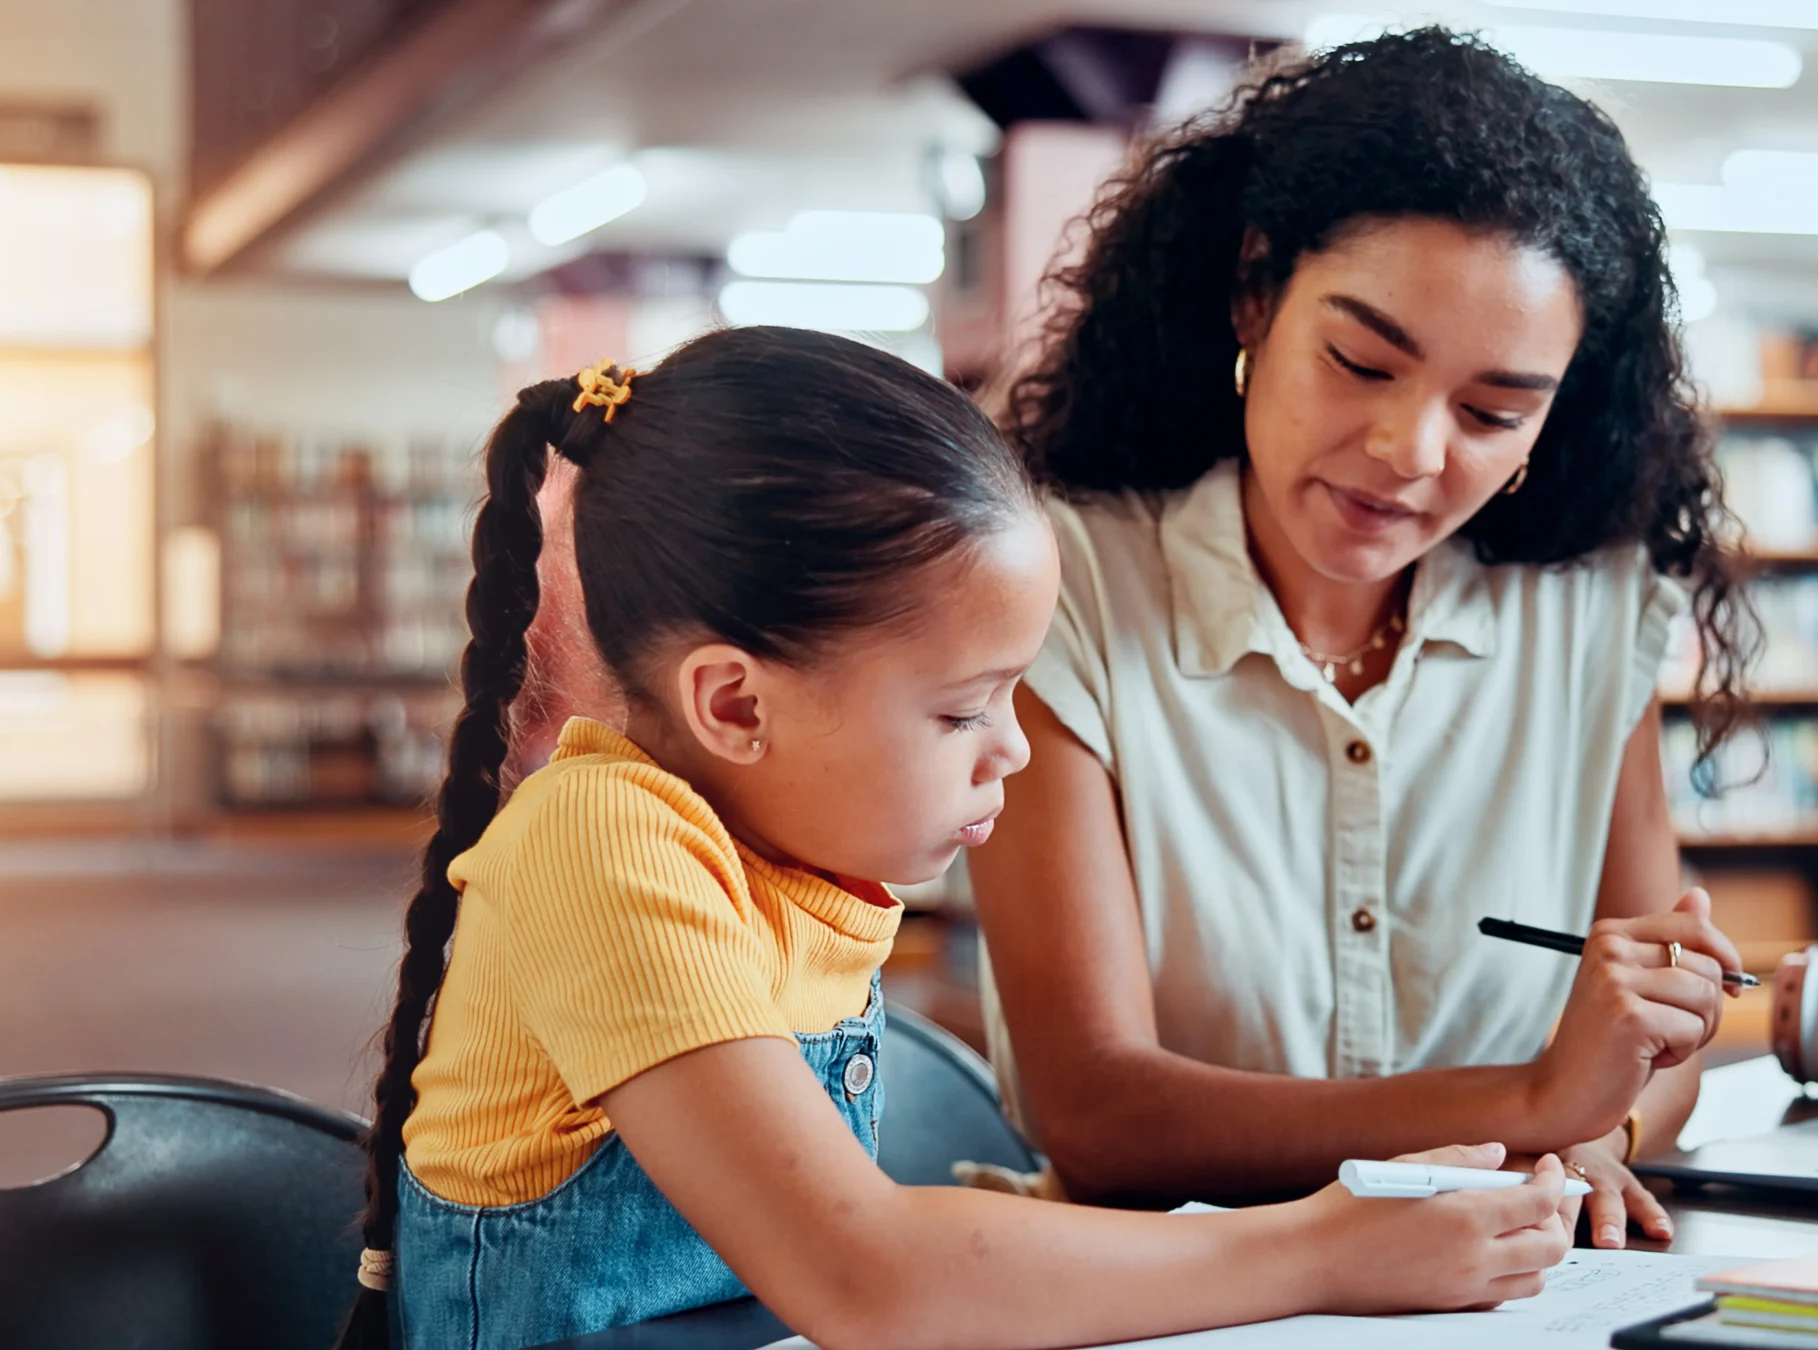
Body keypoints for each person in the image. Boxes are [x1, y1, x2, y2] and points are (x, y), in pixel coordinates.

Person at [333, 327, 1574, 1350]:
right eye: (962, 708)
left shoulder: (788, 847)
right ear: (735, 704)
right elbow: (861, 1273)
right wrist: (1323, 1250)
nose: (1014, 750)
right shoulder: (599, 843)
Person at [968, 28, 1754, 1252]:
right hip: (1162, 1295)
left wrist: (1607, 1130)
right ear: (1253, 294)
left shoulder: (1587, 611)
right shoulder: (1059, 586)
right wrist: (1540, 1105)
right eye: (1359, 361)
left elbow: (1653, 1038)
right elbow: (1096, 1109)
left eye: (1493, 411)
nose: (1412, 453)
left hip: (1503, 1283)